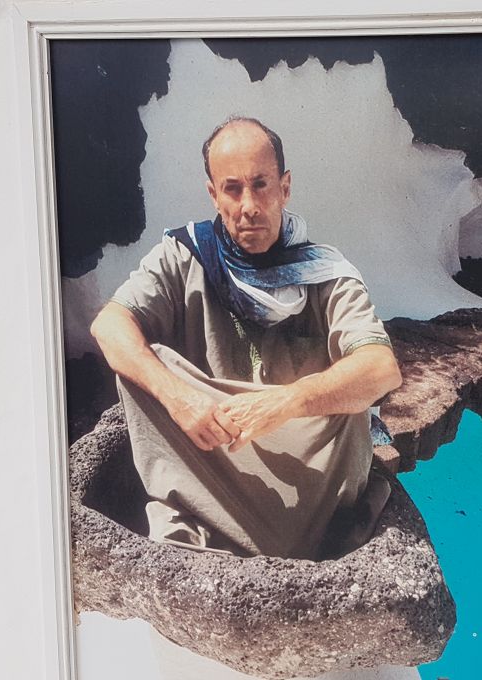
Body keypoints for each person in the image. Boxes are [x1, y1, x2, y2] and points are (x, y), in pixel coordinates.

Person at [90, 116, 401, 560]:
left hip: (307, 473)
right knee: (145, 363)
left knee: (350, 388)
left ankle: (281, 533)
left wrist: (288, 401)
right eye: (232, 189)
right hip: (216, 457)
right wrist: (179, 398)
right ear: (213, 194)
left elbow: (380, 368)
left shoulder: (327, 272)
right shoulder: (185, 255)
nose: (249, 205)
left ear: (285, 187)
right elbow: (109, 325)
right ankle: (230, 523)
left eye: (261, 185)